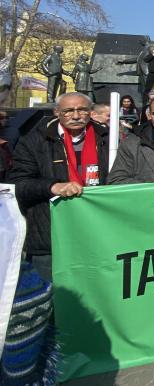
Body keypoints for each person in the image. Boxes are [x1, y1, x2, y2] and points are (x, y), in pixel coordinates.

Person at [8, 92, 110, 280]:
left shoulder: (108, 138)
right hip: (50, 236)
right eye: (68, 111)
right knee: (50, 298)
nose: (76, 116)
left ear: (91, 112)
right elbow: (18, 185)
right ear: (57, 113)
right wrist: (52, 187)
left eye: (82, 110)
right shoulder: (35, 140)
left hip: (97, 234)